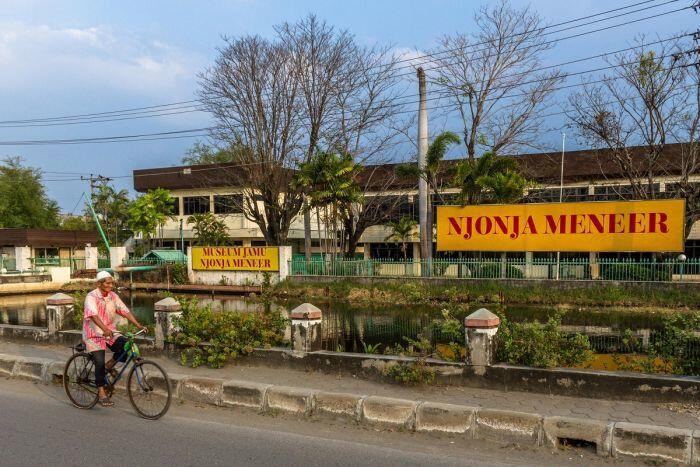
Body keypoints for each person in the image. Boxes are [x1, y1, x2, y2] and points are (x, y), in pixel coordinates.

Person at [82, 270, 147, 407]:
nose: (111, 285)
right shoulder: (91, 297)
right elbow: (93, 315)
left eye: (112, 282)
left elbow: (124, 310)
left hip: (110, 332)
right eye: (108, 283)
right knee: (99, 361)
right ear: (99, 284)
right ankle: (101, 392)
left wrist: (138, 324)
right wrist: (104, 329)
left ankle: (108, 366)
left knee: (126, 347)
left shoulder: (112, 296)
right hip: (94, 334)